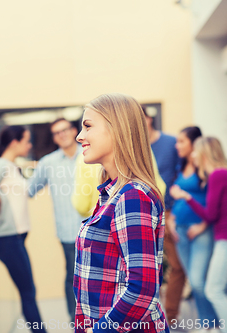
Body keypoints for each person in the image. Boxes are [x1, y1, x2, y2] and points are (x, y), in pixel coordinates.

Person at [73, 93, 169, 333]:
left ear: (116, 130)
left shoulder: (132, 196)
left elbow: (142, 289)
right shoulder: (112, 193)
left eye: (88, 126)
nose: (79, 136)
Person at [0, 125, 47, 333]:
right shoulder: (2, 164)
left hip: (17, 238)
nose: (30, 145)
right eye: (27, 140)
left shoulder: (12, 165)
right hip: (8, 239)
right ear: (15, 142)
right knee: (28, 292)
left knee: (28, 291)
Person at [27, 118, 82, 323]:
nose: (62, 134)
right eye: (57, 132)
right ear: (54, 138)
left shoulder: (89, 156)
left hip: (96, 229)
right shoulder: (48, 163)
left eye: (65, 130)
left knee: (97, 276)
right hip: (67, 231)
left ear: (74, 130)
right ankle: (75, 319)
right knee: (72, 277)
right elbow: (30, 189)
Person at [170, 137, 227, 332]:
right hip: (211, 236)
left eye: (196, 151)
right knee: (210, 286)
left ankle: (215, 325)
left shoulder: (218, 175)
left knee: (211, 287)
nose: (193, 155)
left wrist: (185, 196)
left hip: (222, 238)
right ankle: (208, 325)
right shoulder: (216, 175)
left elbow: (210, 214)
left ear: (204, 153)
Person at [143, 106, 185, 323]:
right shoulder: (135, 146)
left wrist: (175, 211)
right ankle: (149, 315)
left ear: (150, 119)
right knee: (148, 268)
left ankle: (171, 316)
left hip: (169, 211)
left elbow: (182, 172)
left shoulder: (170, 143)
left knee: (177, 266)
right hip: (141, 213)